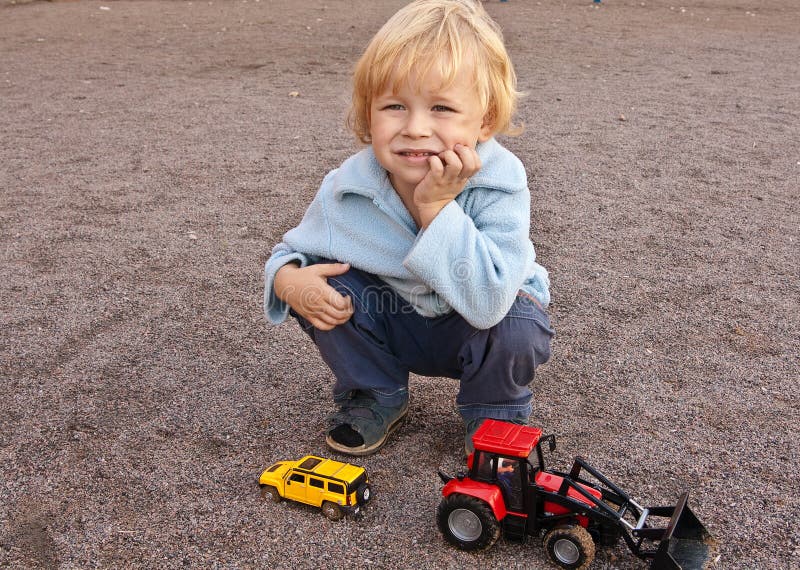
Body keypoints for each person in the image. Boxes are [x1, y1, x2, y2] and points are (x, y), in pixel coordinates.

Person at [263, 0, 554, 456]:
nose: (416, 128)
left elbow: (489, 303)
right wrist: (289, 281)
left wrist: (436, 207)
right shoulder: (348, 187)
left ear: (486, 120)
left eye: (441, 108)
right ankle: (375, 391)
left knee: (519, 322)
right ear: (367, 116)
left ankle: (494, 412)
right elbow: (291, 254)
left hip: (479, 325)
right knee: (324, 280)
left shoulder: (499, 180)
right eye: (395, 106)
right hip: (393, 318)